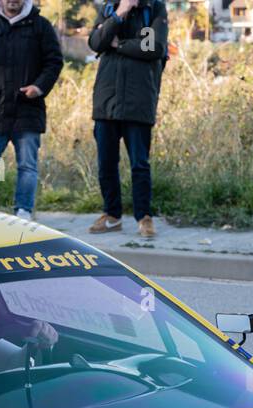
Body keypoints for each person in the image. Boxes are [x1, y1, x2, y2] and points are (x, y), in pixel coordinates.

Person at [0, 0, 63, 220]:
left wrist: (39, 87)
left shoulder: (41, 26)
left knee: (27, 166)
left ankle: (23, 212)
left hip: (28, 108)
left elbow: (54, 62)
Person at [87, 0, 168, 239]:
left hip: (138, 101)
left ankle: (144, 217)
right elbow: (95, 42)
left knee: (139, 165)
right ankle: (112, 216)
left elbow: (152, 46)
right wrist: (120, 13)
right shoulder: (109, 8)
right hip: (106, 100)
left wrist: (117, 43)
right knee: (106, 163)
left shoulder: (154, 9)